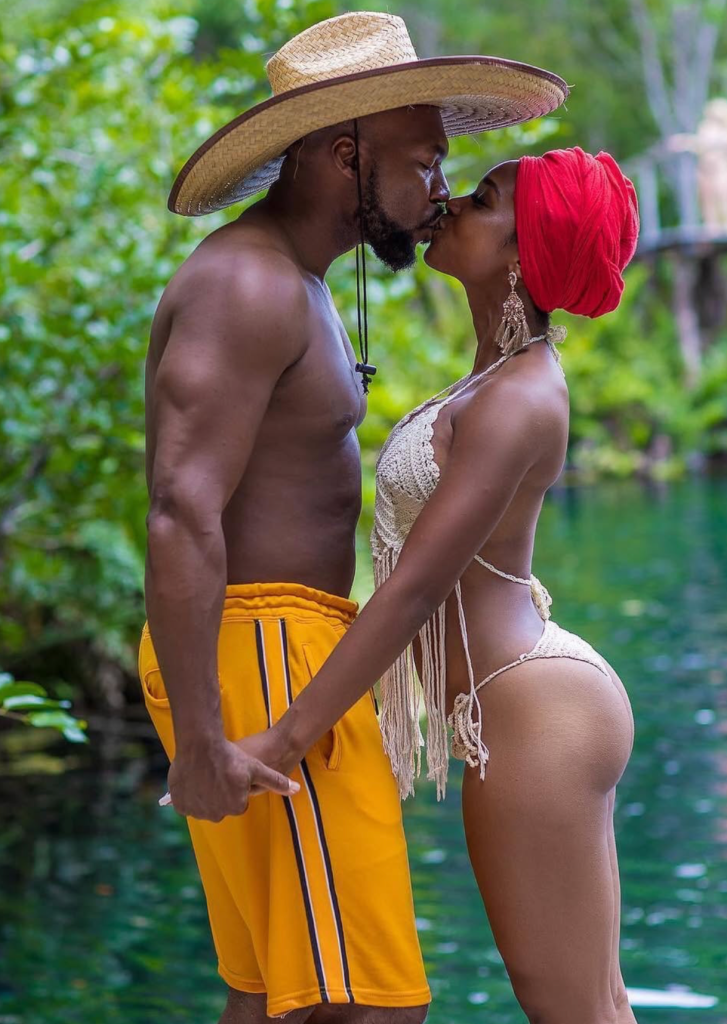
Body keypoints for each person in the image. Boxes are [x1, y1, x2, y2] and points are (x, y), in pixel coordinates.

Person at [137, 10, 568, 1023]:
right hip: (259, 649)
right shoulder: (248, 283)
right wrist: (202, 738)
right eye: (423, 162)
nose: (439, 190)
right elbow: (180, 508)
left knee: (272, 997)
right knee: (367, 1005)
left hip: (276, 648)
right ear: (344, 156)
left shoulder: (297, 281)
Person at [245, 147, 640, 1024]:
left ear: (523, 252)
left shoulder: (520, 397)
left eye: (484, 198)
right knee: (591, 1005)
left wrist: (287, 735)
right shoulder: (494, 378)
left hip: (531, 710)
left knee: (571, 1007)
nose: (453, 202)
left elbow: (417, 588)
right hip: (511, 706)